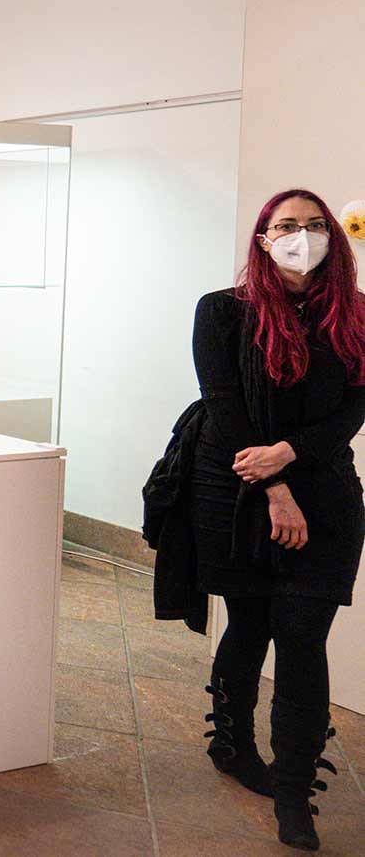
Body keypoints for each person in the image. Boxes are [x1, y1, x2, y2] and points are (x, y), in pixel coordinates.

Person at [190, 188, 365, 851]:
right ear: (263, 239)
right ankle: (234, 746)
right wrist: (273, 488)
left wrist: (289, 457)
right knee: (251, 621)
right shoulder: (223, 311)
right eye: (287, 225)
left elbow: (353, 410)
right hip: (237, 489)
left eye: (315, 225)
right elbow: (224, 404)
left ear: (333, 237)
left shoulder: (358, 315)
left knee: (301, 634)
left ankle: (294, 792)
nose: (302, 236)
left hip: (326, 493)